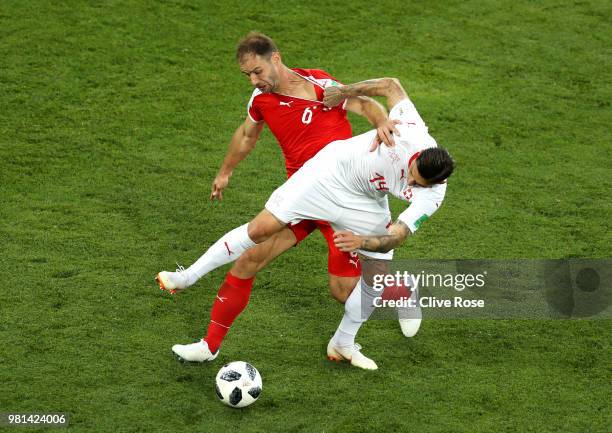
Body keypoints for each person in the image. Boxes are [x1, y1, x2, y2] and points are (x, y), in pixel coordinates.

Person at [158, 76, 454, 370]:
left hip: (362, 204)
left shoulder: (433, 195)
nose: (410, 180)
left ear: (436, 183)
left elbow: (398, 235)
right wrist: (343, 91)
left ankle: (375, 313)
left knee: (350, 289)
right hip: (326, 177)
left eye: (418, 183)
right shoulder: (409, 131)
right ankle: (194, 295)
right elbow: (391, 85)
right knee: (256, 242)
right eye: (412, 171)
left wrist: (361, 242)